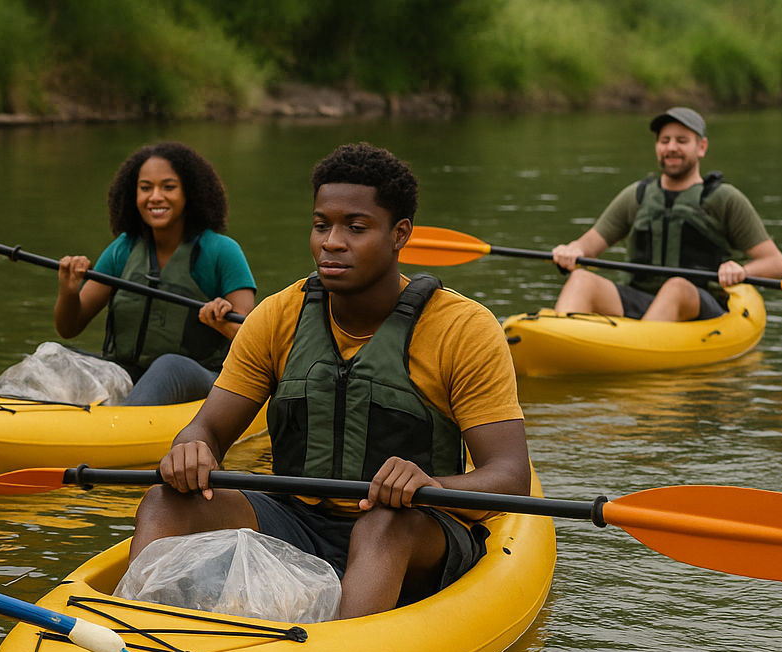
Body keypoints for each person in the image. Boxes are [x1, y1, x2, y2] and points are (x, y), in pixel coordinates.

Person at [129, 143, 530, 618]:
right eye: (322, 225)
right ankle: (126, 640)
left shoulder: (463, 328)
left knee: (383, 523)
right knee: (167, 500)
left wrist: (428, 483)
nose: (331, 242)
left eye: (355, 228)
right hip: (295, 519)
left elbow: (510, 476)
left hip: (414, 530)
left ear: (400, 234)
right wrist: (190, 447)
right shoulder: (276, 316)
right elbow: (210, 428)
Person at [54, 141, 256, 405]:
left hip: (201, 379)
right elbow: (69, 328)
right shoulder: (123, 250)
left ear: (189, 193)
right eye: (145, 188)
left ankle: (120, 429)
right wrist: (68, 291)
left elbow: (253, 342)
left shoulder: (222, 251)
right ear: (133, 194)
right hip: (127, 374)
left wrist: (222, 321)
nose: (155, 197)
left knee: (169, 366)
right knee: (57, 357)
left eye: (168, 187)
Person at [551, 107, 782, 321]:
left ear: (701, 147)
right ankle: (557, 342)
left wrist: (742, 271)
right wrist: (571, 251)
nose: (671, 147)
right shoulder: (637, 195)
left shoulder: (724, 198)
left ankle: (641, 352)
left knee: (676, 288)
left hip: (700, 306)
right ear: (657, 146)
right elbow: (587, 246)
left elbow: (775, 263)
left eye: (682, 140)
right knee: (581, 280)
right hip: (640, 302)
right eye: (665, 140)